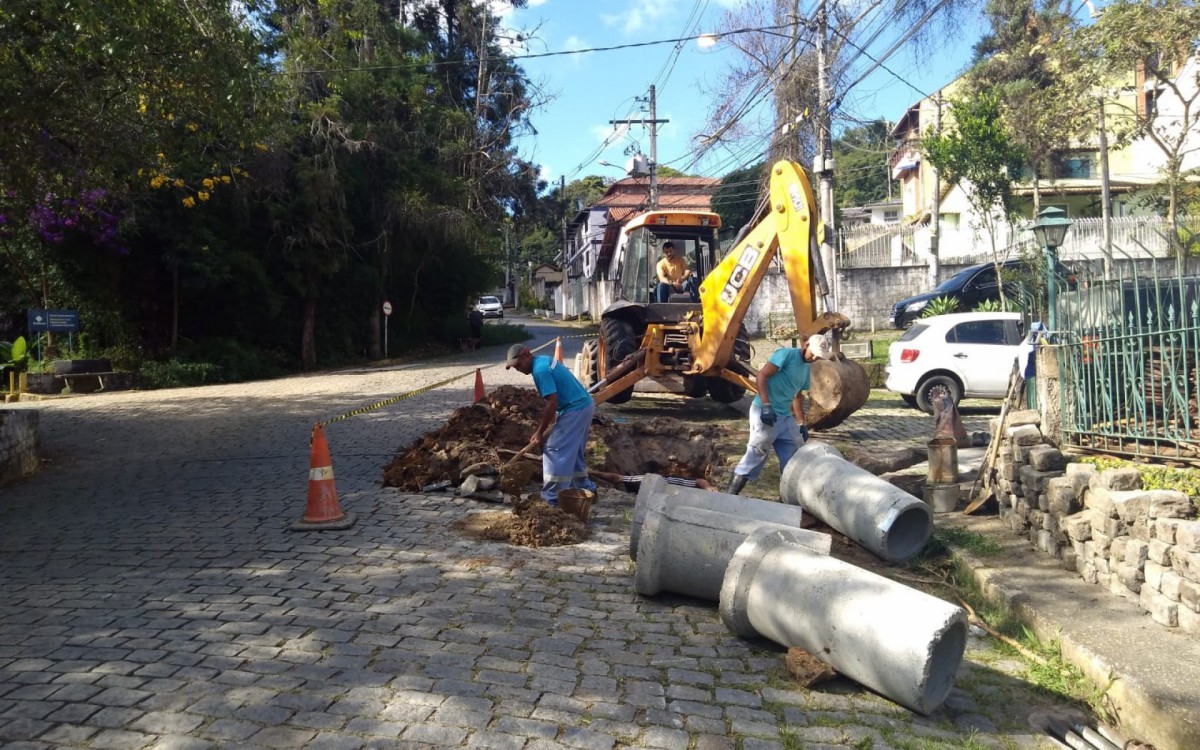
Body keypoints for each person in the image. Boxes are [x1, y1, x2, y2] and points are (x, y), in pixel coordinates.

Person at [727, 333, 835, 495]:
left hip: (784, 417)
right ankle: (730, 495)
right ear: (805, 346)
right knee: (757, 453)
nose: (814, 359)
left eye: (818, 357)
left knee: (794, 456)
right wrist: (766, 405)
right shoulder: (786, 355)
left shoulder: (806, 368)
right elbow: (762, 375)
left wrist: (801, 422)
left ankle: (787, 498)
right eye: (813, 354)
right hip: (765, 413)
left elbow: (797, 396)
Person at [505, 343, 598, 506]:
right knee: (573, 452)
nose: (517, 369)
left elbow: (551, 403)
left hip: (575, 409)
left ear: (527, 354)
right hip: (583, 405)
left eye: (518, 364)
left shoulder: (540, 371)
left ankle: (551, 499)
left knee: (554, 450)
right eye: (514, 367)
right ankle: (585, 489)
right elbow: (556, 399)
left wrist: (540, 432)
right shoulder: (543, 360)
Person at [589, 460, 718, 493]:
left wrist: (593, 472)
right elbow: (700, 481)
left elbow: (616, 478)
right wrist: (708, 487)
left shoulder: (641, 480)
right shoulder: (669, 480)